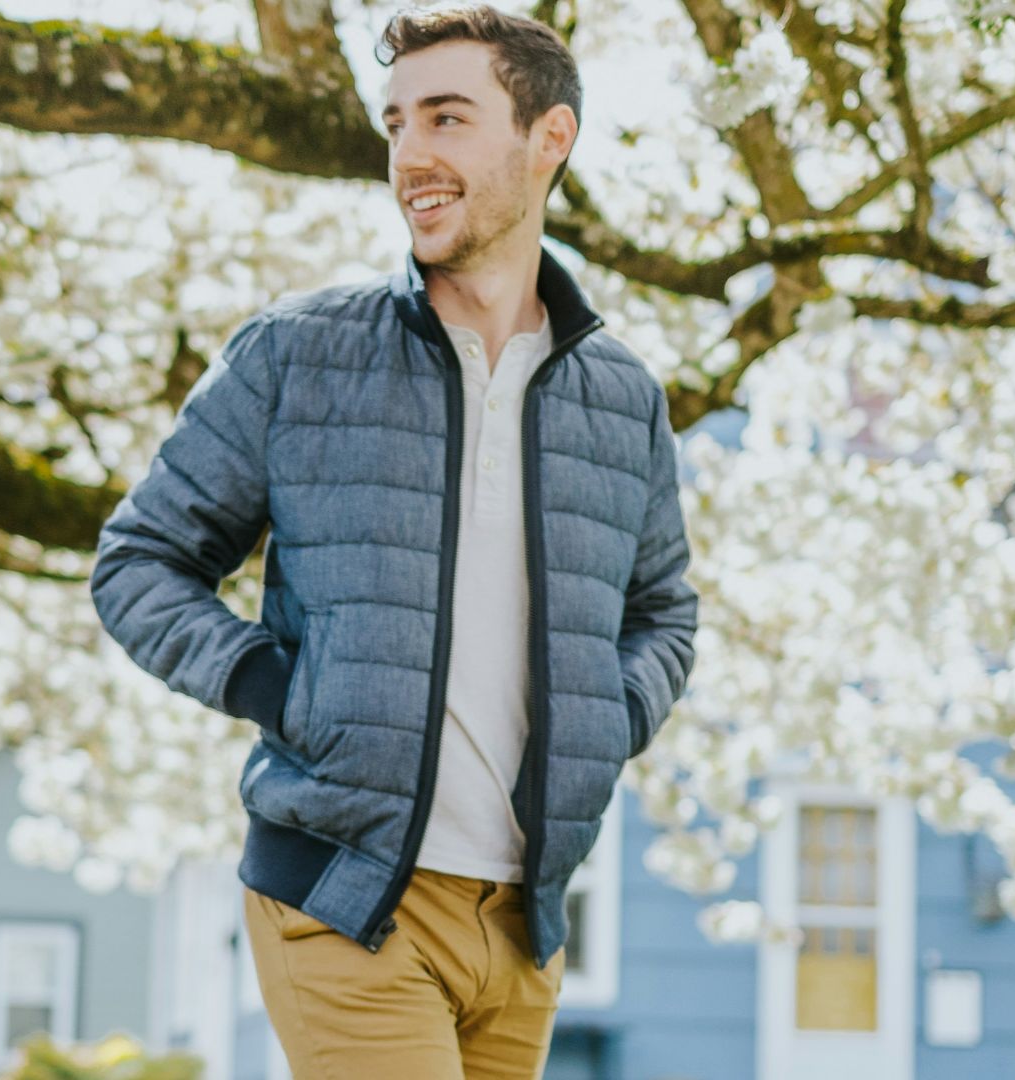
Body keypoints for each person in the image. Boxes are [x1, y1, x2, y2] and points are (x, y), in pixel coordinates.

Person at [89, 4, 697, 1076]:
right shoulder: (299, 356)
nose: (411, 155)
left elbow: (663, 613)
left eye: (448, 119)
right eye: (396, 124)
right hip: (346, 894)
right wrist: (278, 689)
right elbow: (142, 562)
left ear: (547, 139)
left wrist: (612, 715)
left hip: (525, 923)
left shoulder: (621, 397)